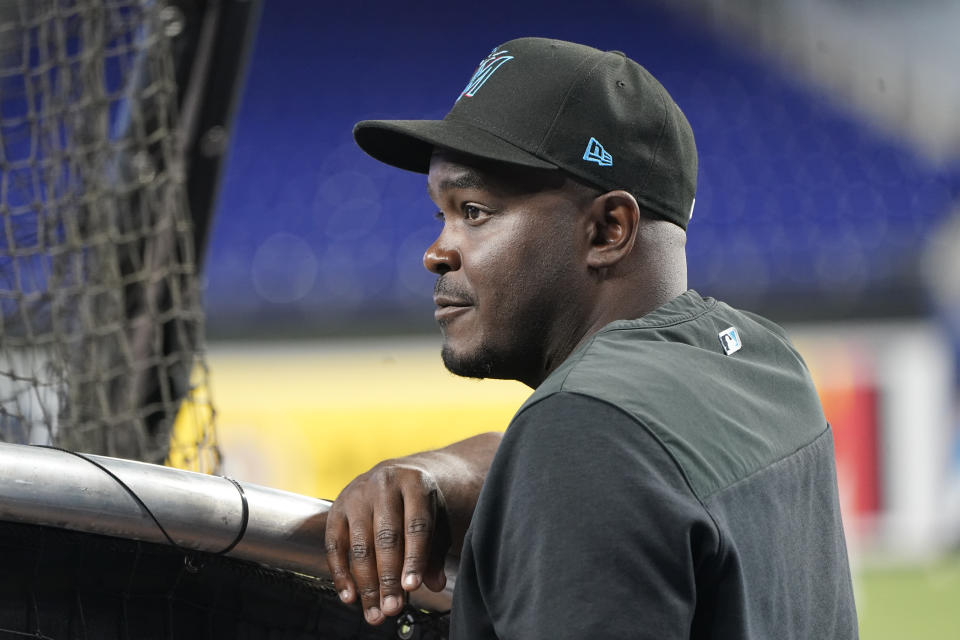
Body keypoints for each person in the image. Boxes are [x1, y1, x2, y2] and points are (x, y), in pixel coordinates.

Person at [322, 37, 858, 638]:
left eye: (474, 211)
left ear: (608, 229)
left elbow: (593, 447)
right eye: (439, 214)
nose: (436, 252)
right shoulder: (762, 355)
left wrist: (537, 451)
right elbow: (630, 462)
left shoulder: (586, 428)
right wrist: (446, 469)